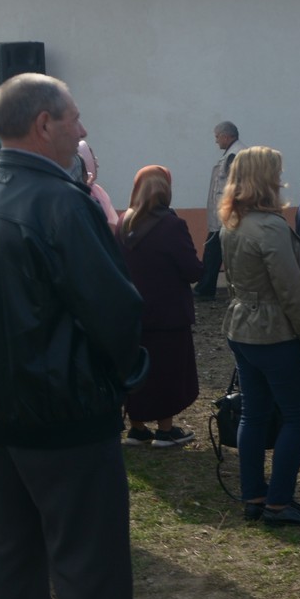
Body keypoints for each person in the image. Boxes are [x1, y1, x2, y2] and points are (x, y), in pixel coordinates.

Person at [0, 75, 145, 599]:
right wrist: (126, 374)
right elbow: (116, 311)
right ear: (43, 125)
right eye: (74, 119)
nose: (82, 131)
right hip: (66, 419)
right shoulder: (62, 204)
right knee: (90, 575)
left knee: (13, 566)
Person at [218, 145, 300, 521]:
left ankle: (255, 496)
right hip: (272, 332)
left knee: (255, 412)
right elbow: (291, 291)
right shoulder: (270, 227)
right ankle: (278, 501)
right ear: (266, 179)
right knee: (298, 414)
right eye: (276, 173)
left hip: (242, 325)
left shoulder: (234, 221)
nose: (282, 179)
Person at [118, 165, 202, 448]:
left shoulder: (123, 223)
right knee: (168, 370)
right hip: (168, 314)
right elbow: (191, 270)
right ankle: (165, 430)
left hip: (132, 314)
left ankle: (138, 428)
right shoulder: (172, 225)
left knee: (136, 368)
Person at [194, 120, 240, 300]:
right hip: (224, 216)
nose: (216, 141)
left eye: (217, 137)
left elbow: (234, 188)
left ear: (226, 136)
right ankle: (205, 287)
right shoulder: (233, 154)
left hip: (226, 217)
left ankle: (205, 289)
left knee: (214, 253)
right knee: (214, 252)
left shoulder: (234, 155)